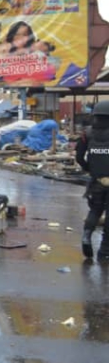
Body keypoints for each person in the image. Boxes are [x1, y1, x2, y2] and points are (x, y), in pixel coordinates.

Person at [75, 99, 109, 259]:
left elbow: (79, 157)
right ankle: (104, 252)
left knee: (95, 210)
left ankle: (87, 235)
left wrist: (90, 169)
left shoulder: (87, 133)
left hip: (97, 180)